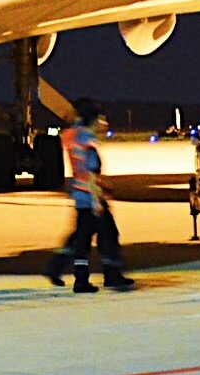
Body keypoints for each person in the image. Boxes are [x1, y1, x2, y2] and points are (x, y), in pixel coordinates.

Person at [44, 102, 133, 293]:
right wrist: (97, 200)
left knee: (81, 238)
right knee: (107, 236)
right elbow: (91, 173)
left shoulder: (74, 136)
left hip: (80, 194)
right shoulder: (89, 142)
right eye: (101, 119)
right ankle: (109, 276)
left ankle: (64, 270)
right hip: (91, 197)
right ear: (93, 121)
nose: (105, 123)